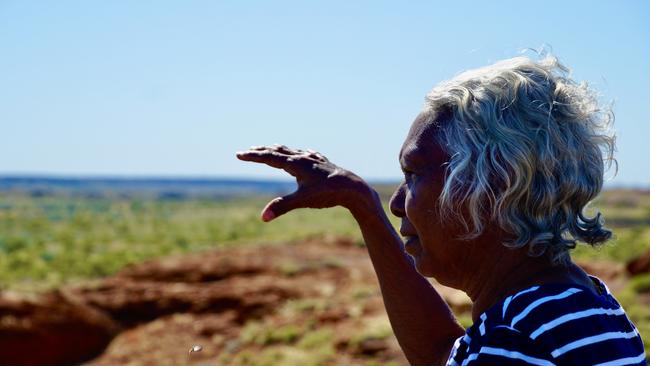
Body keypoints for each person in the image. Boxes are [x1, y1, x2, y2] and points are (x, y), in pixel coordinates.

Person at [236, 55, 646, 365]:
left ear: (493, 186)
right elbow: (443, 353)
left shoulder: (516, 340)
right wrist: (362, 204)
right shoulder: (577, 307)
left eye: (413, 173)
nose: (397, 202)